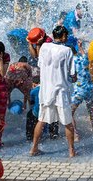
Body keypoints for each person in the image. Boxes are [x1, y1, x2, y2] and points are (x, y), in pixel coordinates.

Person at [33, 26, 77, 158]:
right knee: (68, 122)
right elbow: (73, 74)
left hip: (46, 91)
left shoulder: (45, 47)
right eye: (66, 35)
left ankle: (34, 148)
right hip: (61, 91)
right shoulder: (67, 50)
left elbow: (40, 65)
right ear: (63, 36)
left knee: (41, 120)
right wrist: (74, 78)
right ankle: (71, 151)